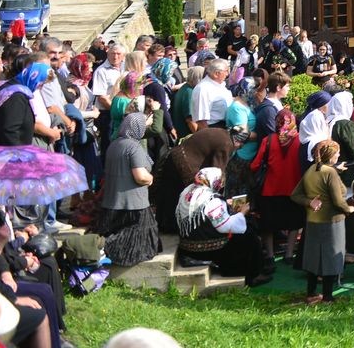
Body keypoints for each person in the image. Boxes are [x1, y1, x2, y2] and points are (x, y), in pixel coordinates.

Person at [98, 112, 163, 267]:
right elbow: (140, 176)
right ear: (137, 128)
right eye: (143, 125)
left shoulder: (113, 144)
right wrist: (151, 178)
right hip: (134, 204)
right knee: (135, 238)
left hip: (111, 203)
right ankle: (106, 248)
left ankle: (103, 248)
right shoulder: (134, 147)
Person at [292, 138, 353, 304]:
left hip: (313, 221)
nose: (339, 155)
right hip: (332, 222)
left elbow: (295, 194)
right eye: (337, 153)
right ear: (331, 155)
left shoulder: (312, 169)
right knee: (331, 258)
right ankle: (328, 296)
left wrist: (309, 202)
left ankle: (311, 293)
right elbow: (338, 201)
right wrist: (349, 210)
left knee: (313, 259)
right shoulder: (330, 173)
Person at [175, 167, 263, 278]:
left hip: (187, 247)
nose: (221, 184)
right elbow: (225, 226)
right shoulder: (212, 200)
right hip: (204, 251)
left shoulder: (188, 191)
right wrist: (242, 213)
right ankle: (252, 274)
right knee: (248, 235)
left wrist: (224, 203)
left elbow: (202, 210)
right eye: (220, 181)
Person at [251, 106, 304, 265]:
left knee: (268, 225)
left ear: (277, 122)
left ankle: (270, 256)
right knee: (294, 223)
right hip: (294, 190)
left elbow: (254, 166)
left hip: (270, 190)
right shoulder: (301, 140)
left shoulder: (268, 140)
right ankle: (289, 254)